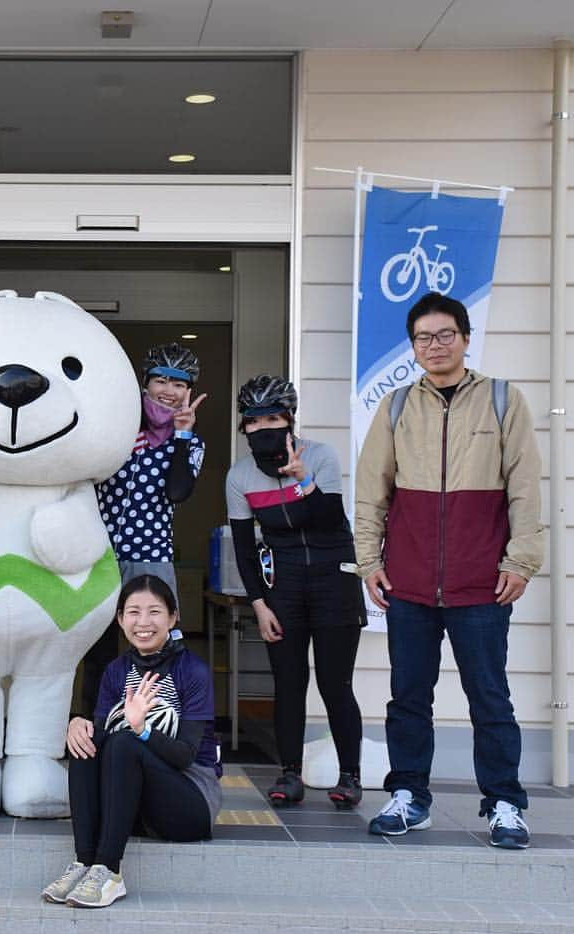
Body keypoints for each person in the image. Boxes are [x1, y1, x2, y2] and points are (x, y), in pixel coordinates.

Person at [356, 292, 543, 849]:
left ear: (464, 337)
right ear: (412, 347)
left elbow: (526, 490)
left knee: (490, 696)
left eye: (444, 335)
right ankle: (409, 796)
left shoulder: (505, 401)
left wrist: (522, 560)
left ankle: (505, 802)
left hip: (483, 581)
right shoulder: (394, 407)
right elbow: (372, 493)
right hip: (408, 582)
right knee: (408, 696)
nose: (434, 346)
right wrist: (369, 560)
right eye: (422, 338)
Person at [225, 375, 365, 808]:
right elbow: (245, 551)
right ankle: (290, 773)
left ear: (289, 420)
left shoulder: (320, 456)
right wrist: (259, 604)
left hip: (334, 580)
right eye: (254, 420)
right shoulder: (240, 476)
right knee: (288, 683)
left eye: (273, 418)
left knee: (335, 683)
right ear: (243, 427)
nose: (264, 427)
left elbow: (327, 519)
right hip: (282, 587)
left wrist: (304, 480)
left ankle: (350, 776)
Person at [43, 574, 221, 908]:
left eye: (154, 612)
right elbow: (100, 743)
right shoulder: (116, 671)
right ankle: (85, 864)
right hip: (136, 803)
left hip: (189, 804)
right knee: (86, 740)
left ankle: (109, 872)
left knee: (126, 741)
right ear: (120, 619)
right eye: (133, 612)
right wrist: (78, 726)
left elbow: (184, 756)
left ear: (172, 617)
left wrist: (142, 730)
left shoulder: (192, 671)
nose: (143, 622)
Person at [83, 343, 206, 713]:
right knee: (98, 652)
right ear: (145, 383)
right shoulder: (119, 430)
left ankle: (162, 732)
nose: (169, 391)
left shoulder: (190, 443)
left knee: (157, 650)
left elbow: (178, 491)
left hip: (152, 557)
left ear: (188, 392)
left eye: (179, 384)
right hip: (99, 557)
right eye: (161, 381)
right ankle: (95, 731)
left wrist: (182, 436)